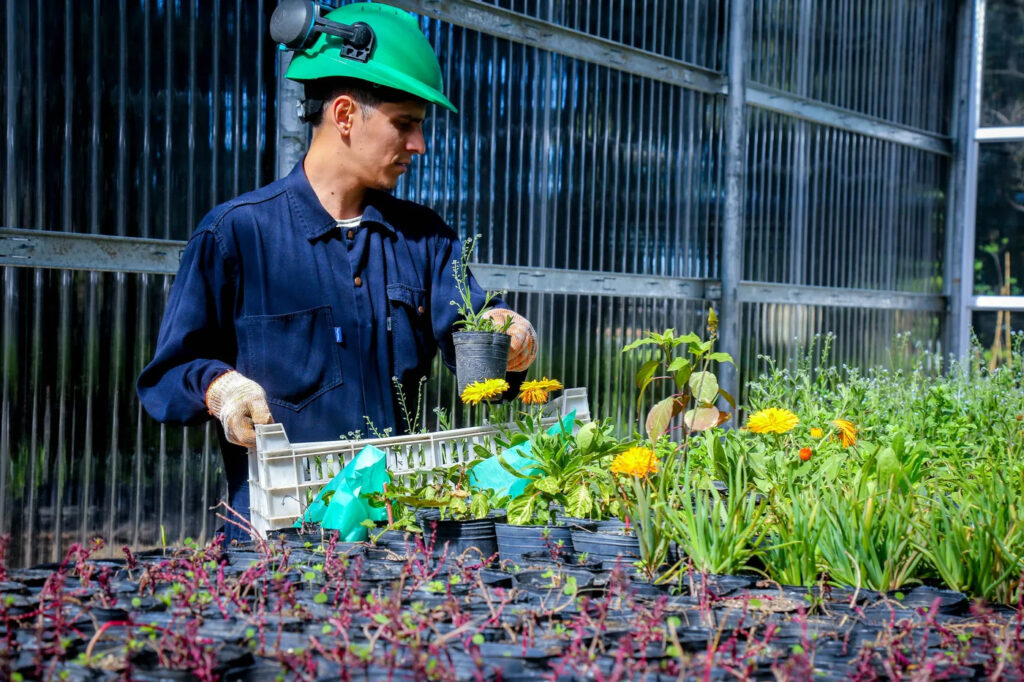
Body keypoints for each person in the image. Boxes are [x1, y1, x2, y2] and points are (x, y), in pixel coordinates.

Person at [137, 1, 537, 541]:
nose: (419, 145)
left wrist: (506, 332)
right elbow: (166, 374)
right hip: (276, 537)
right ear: (345, 115)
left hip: (396, 537)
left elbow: (474, 335)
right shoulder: (237, 235)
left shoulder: (424, 239)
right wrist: (218, 387)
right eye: (405, 124)